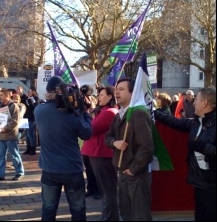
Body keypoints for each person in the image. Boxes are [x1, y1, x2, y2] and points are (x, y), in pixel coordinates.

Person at [34, 76, 92, 221]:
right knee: (78, 210)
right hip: (72, 169)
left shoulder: (39, 110)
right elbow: (86, 134)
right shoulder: (72, 113)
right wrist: (84, 112)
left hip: (49, 169)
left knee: (48, 209)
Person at [154, 87, 216, 221]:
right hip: (199, 181)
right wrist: (154, 113)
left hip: (212, 184)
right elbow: (175, 122)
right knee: (200, 216)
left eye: (196, 99)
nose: (193, 103)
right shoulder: (196, 122)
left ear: (204, 103)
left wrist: (204, 147)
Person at [105, 78, 154, 221]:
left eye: (121, 89)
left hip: (136, 175)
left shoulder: (139, 114)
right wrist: (115, 142)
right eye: (116, 89)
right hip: (121, 172)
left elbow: (146, 147)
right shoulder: (119, 114)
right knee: (126, 214)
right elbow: (107, 138)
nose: (117, 92)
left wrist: (133, 169)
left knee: (140, 215)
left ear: (132, 93)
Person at [82, 86, 120, 220]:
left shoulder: (109, 112)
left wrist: (86, 113)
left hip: (102, 155)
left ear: (110, 97)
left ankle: (110, 218)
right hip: (97, 154)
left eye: (102, 95)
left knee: (108, 192)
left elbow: (90, 129)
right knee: (105, 191)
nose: (98, 97)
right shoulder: (103, 111)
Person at [0, 89, 25, 181]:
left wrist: (6, 128)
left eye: (2, 95)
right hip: (1, 135)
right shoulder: (0, 106)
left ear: (7, 96)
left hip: (10, 135)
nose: (0, 97)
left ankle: (19, 172)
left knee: (14, 155)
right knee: (0, 156)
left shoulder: (13, 106)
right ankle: (0, 174)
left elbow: (15, 121)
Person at [23, 87, 40, 155]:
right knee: (27, 135)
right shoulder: (28, 98)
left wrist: (32, 102)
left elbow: (35, 107)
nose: (29, 92)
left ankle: (33, 149)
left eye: (31, 91)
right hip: (26, 118)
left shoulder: (36, 99)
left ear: (33, 92)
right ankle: (28, 148)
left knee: (31, 135)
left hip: (32, 119)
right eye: (29, 91)